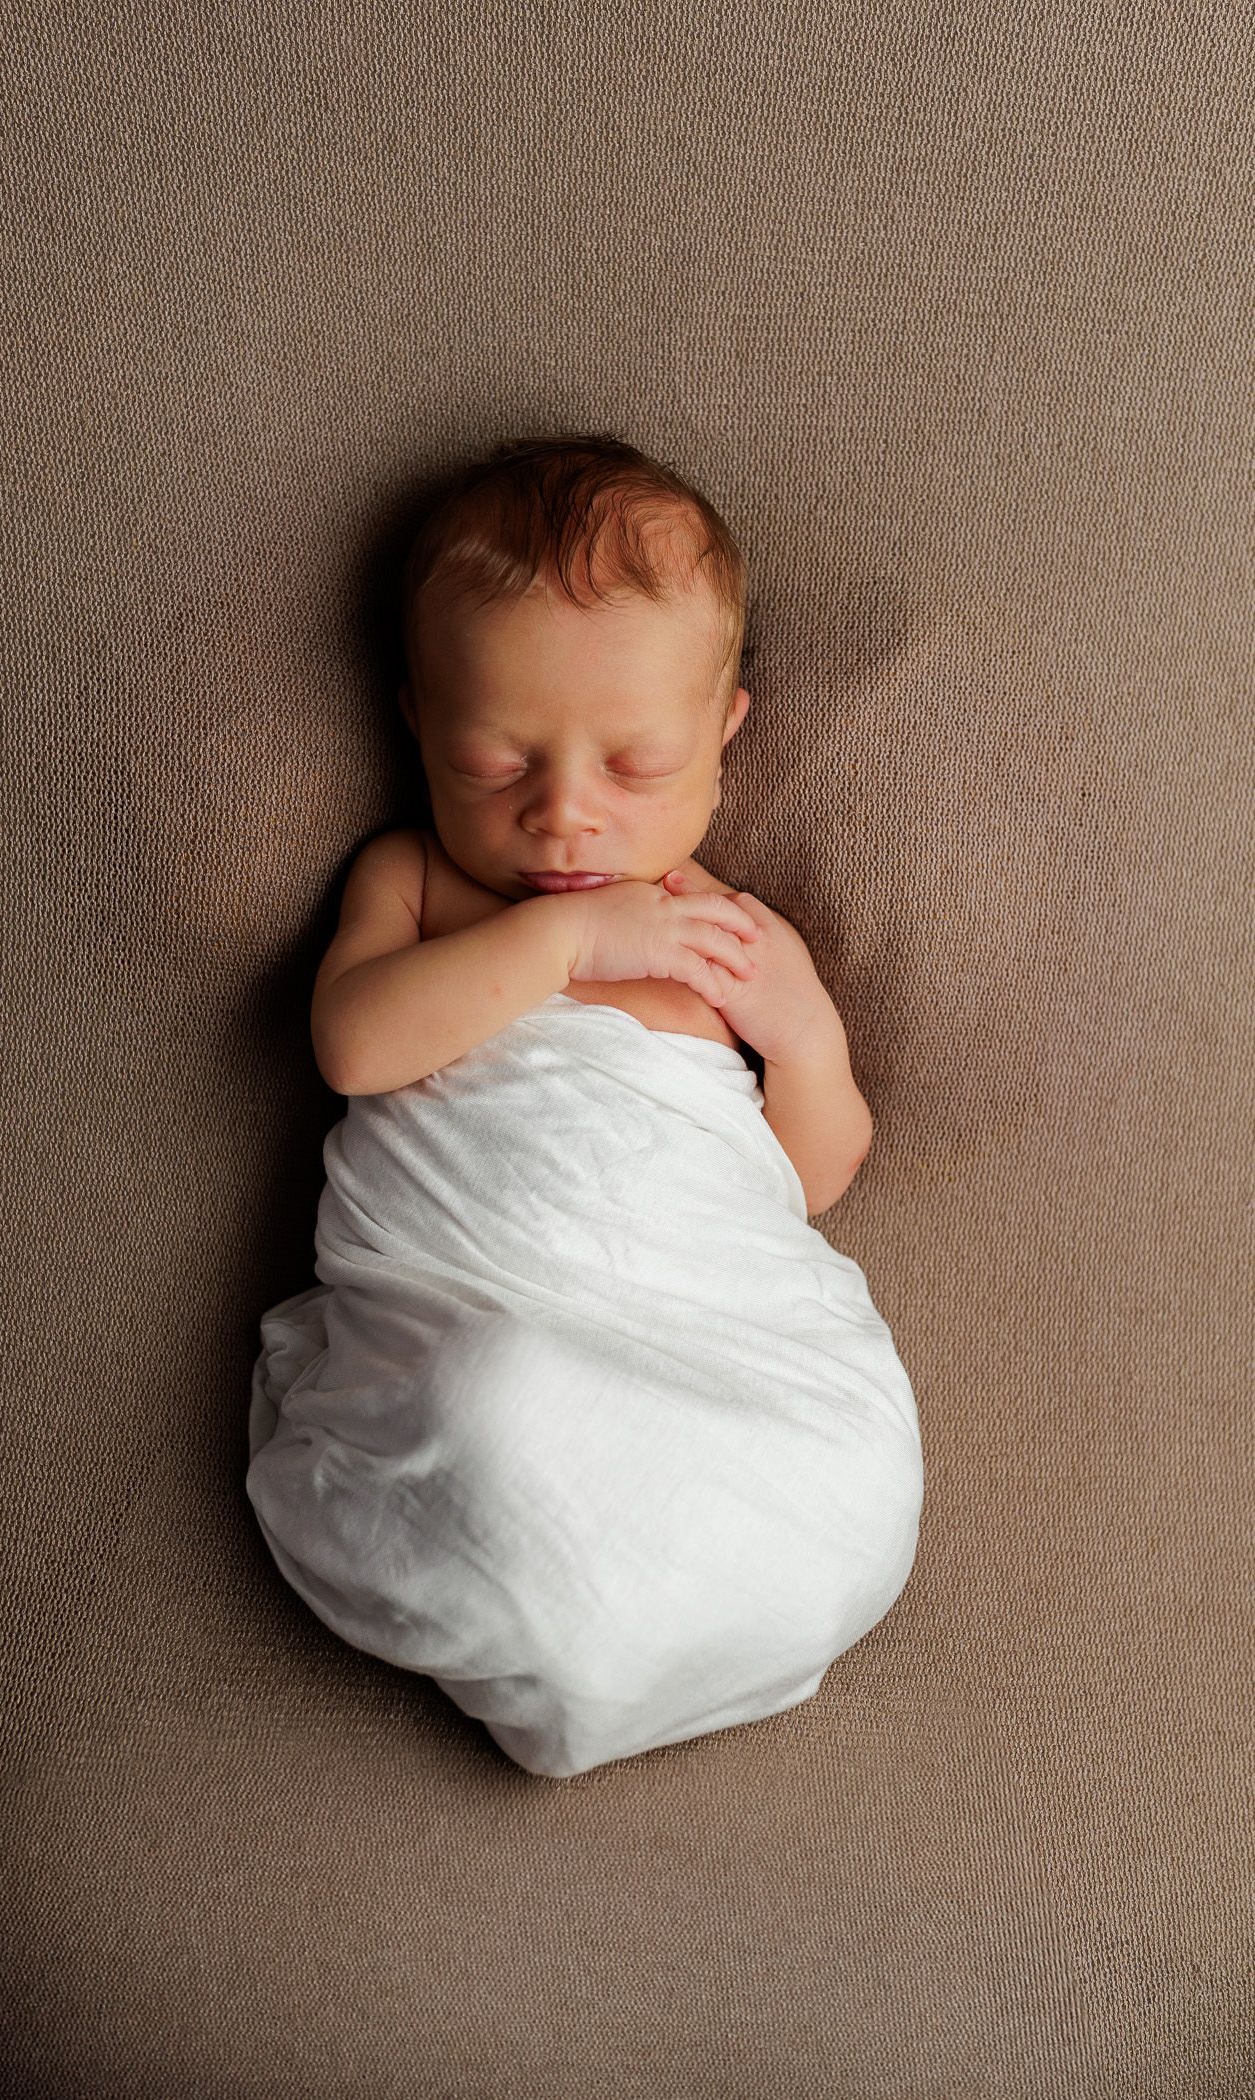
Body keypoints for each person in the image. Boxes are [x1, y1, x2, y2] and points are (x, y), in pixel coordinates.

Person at [246, 433, 923, 1780]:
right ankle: (577, 1612)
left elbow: (798, 1187)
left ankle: (705, 1590)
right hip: (492, 1313)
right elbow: (354, 1045)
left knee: (857, 1465)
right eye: (498, 766)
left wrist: (807, 1042)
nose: (564, 820)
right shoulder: (422, 887)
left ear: (725, 732)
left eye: (634, 768)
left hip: (713, 1331)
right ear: (418, 724)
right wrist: (555, 953)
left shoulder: (722, 935)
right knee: (503, 1406)